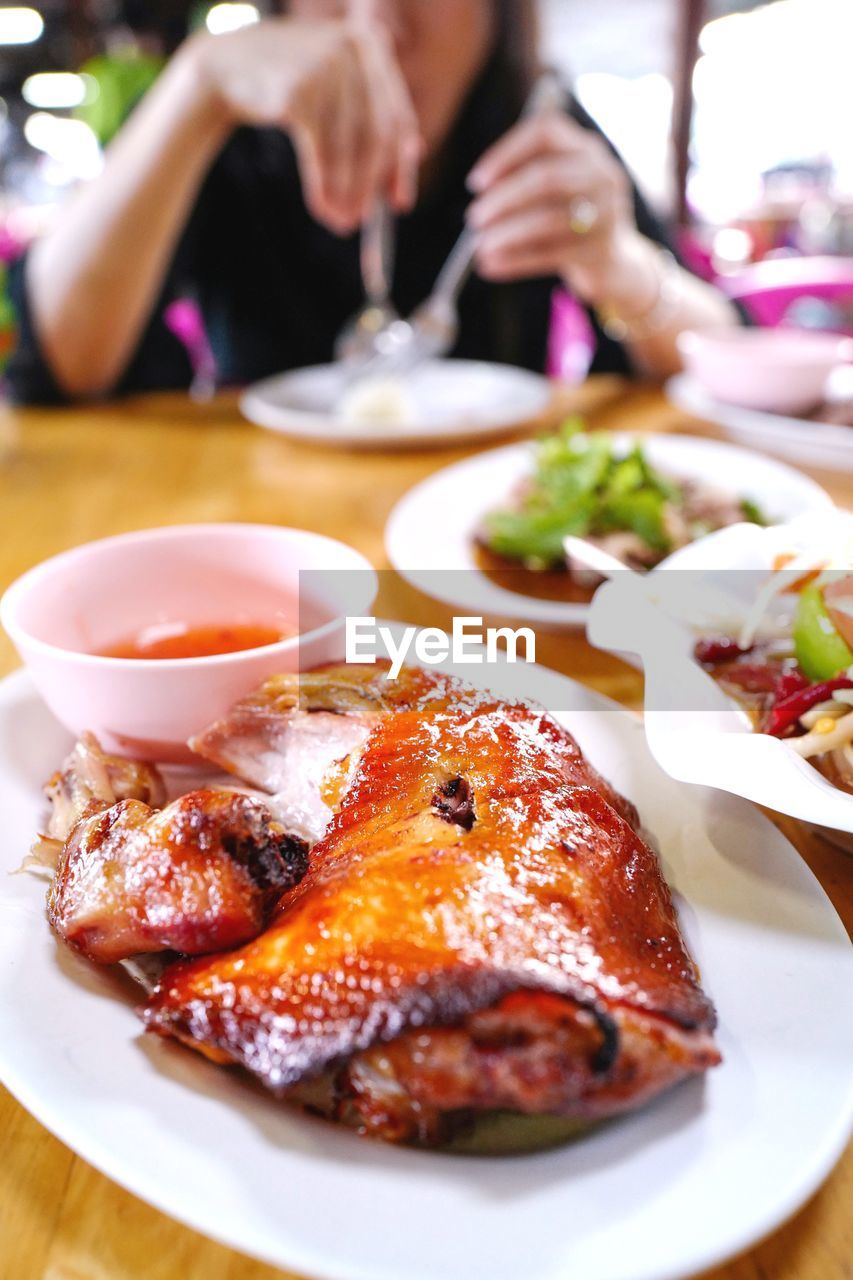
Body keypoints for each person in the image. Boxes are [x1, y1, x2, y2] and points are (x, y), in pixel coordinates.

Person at [6, 0, 740, 404]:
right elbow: (57, 368)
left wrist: (620, 265)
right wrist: (194, 86)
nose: (378, 21)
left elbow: (725, 356)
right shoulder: (229, 137)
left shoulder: (537, 125)